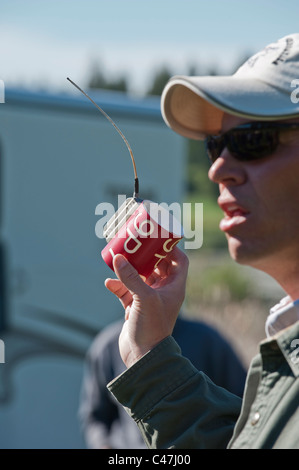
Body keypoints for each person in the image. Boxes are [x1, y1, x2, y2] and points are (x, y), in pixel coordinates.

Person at [104, 33, 299, 449]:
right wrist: (149, 351)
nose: (218, 170)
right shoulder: (288, 335)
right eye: (217, 145)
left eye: (252, 140)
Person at [79, 315, 246, 449]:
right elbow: (94, 416)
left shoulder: (207, 340)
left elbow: (244, 401)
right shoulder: (108, 345)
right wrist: (103, 445)